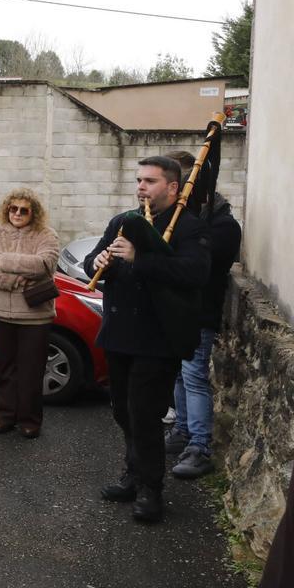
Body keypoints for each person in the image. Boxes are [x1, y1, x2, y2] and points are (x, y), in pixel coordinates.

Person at [84, 155, 210, 523]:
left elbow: (195, 273)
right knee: (123, 411)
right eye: (139, 180)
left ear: (172, 186)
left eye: (150, 181)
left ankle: (151, 489)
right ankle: (134, 473)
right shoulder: (124, 221)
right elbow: (93, 259)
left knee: (145, 415)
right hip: (120, 332)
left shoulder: (190, 227)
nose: (141, 187)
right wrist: (98, 262)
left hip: (158, 337)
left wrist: (140, 258)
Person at [162, 150, 242, 480]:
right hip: (177, 312)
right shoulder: (179, 218)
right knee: (180, 374)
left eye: (181, 183)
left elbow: (196, 264)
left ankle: (200, 446)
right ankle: (182, 429)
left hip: (199, 313)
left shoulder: (222, 225)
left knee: (194, 377)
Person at [0, 188, 60, 439]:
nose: (18, 214)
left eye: (24, 210)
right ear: (7, 209)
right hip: (1, 312)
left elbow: (44, 264)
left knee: (31, 371)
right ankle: (5, 415)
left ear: (33, 212)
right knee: (5, 368)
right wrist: (11, 280)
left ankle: (30, 420)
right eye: (13, 209)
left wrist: (3, 259)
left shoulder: (46, 235)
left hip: (36, 316)